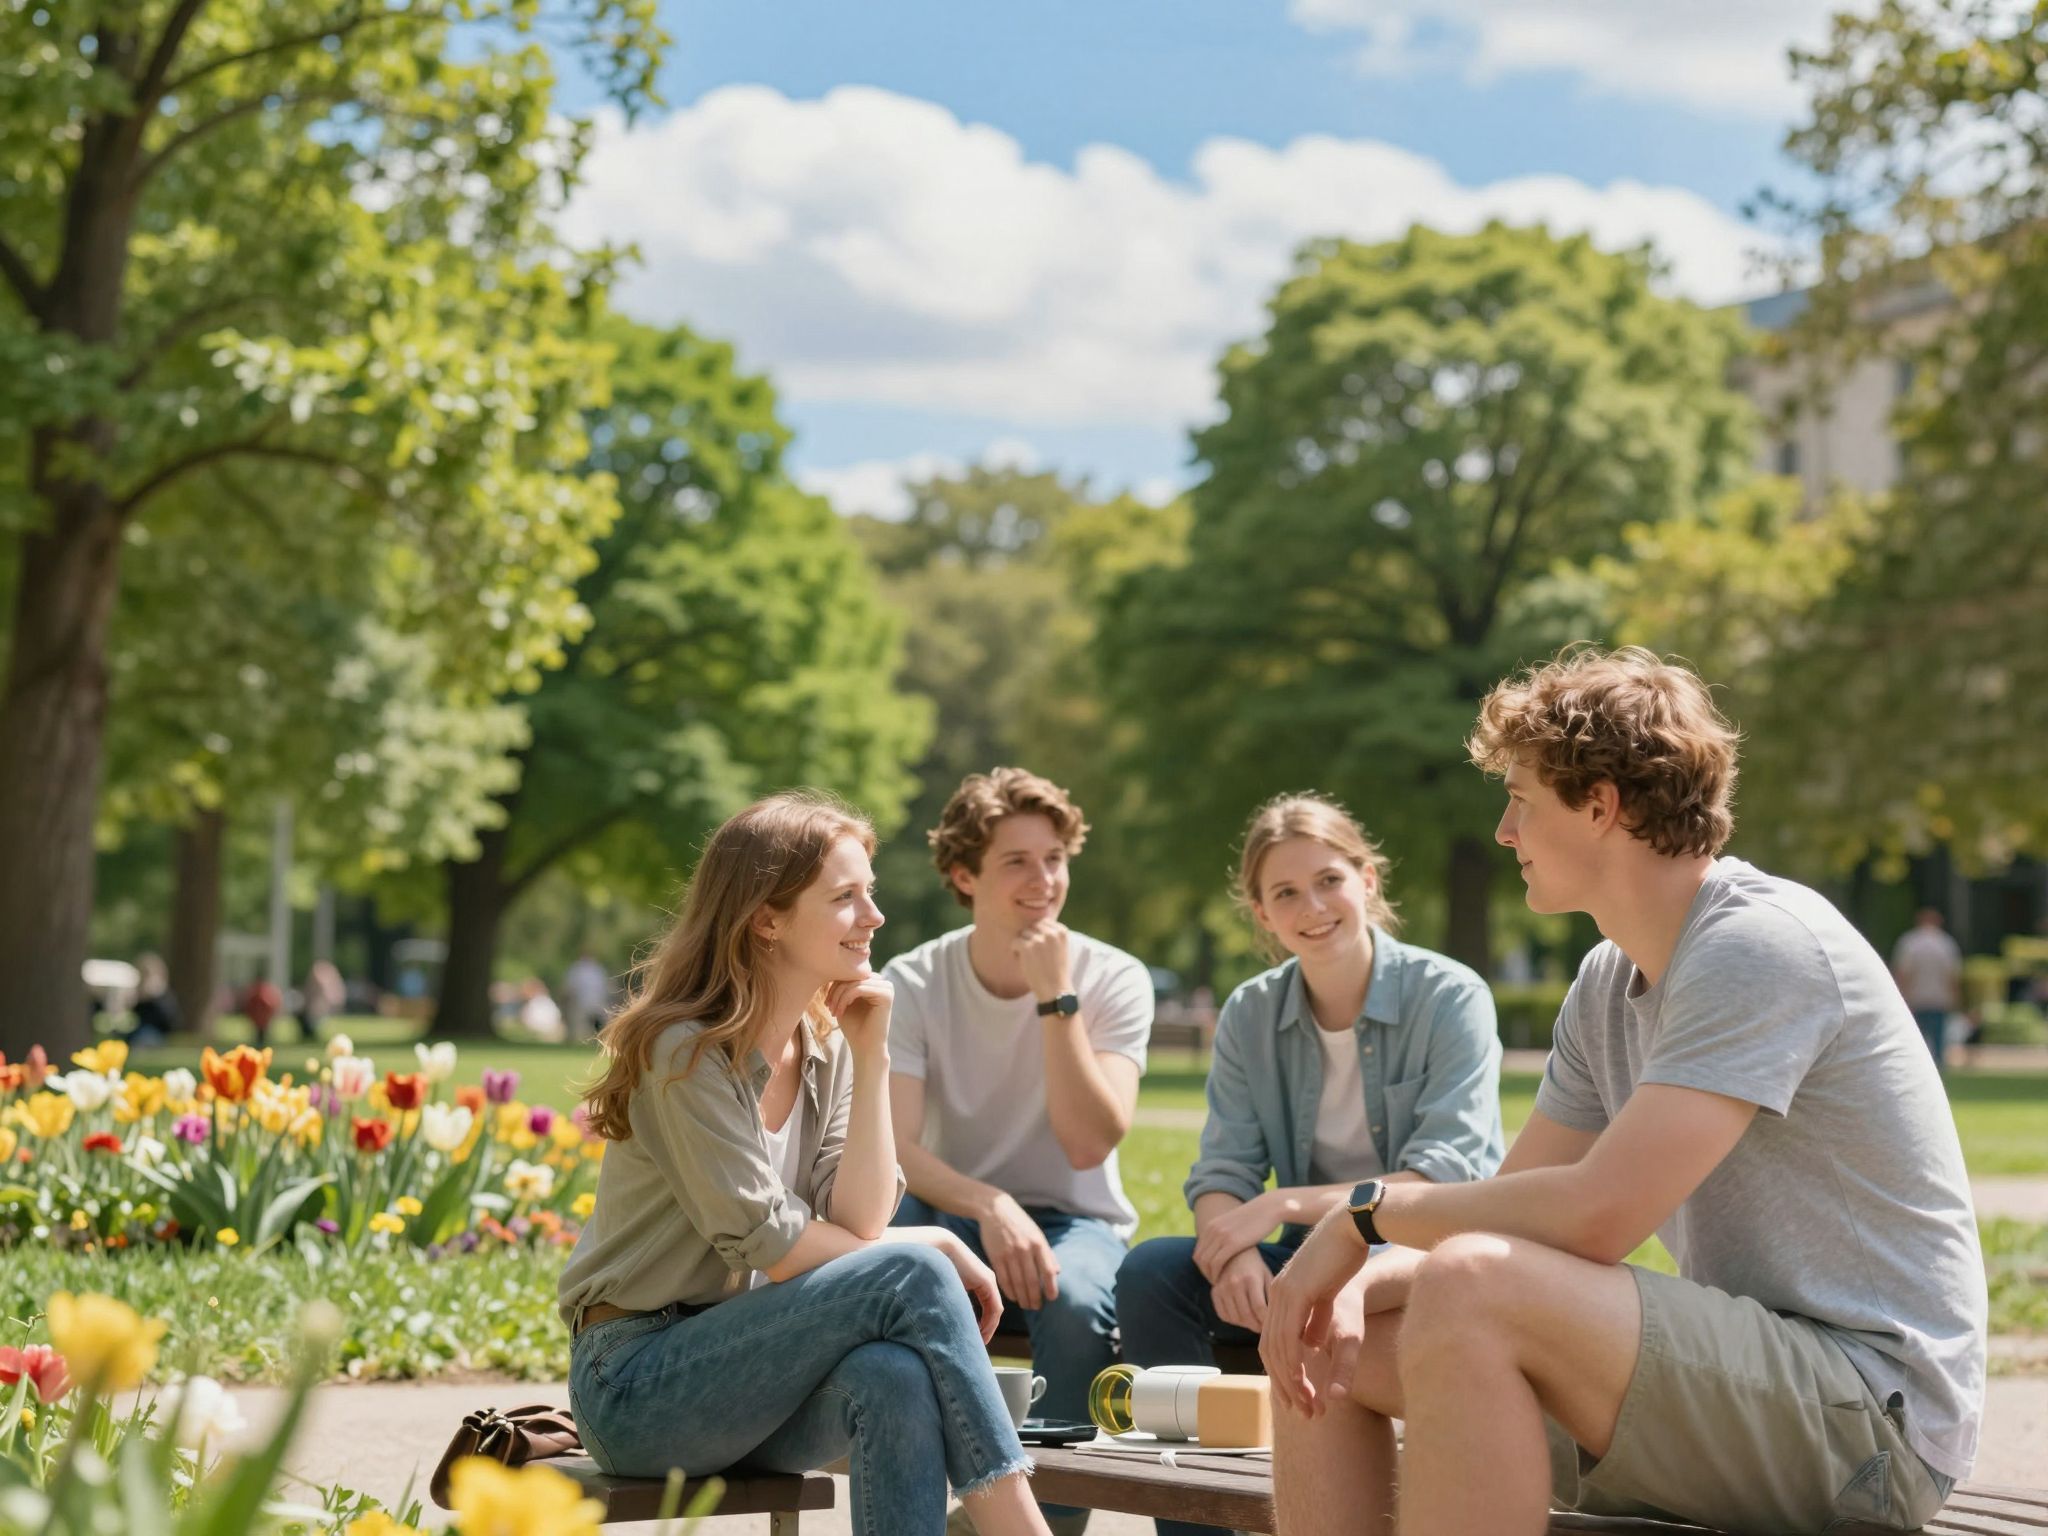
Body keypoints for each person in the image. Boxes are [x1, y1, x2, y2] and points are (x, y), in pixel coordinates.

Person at [1262, 646, 1984, 1536]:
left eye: (1520, 802)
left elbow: (1597, 1217)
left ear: (1599, 806)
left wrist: (1360, 1219)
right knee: (1329, 1342)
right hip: (1761, 1392)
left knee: (1472, 1283)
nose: (1503, 832)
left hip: (1874, 1424)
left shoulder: (1760, 945)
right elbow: (1505, 1211)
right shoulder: (1609, 981)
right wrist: (1337, 1287)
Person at [559, 791, 1053, 1536]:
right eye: (846, 898)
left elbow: (856, 1218)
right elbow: (773, 1244)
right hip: (638, 1385)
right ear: (767, 918)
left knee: (892, 1378)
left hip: (753, 1367)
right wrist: (935, 1240)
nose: (874, 917)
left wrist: (872, 1053)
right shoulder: (684, 1053)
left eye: (871, 894)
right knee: (913, 1270)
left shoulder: (825, 1046)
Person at [1116, 793, 1504, 1536]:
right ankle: (1192, 1518)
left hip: (1420, 1251)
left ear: (1367, 880)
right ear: (1261, 914)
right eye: (1285, 892)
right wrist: (1228, 1254)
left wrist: (1283, 1204)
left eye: (1329, 880)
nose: (1312, 905)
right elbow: (1223, 1170)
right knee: (1152, 1274)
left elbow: (1445, 1174)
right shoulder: (1250, 1014)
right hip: (1303, 1250)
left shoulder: (1449, 997)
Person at [885, 768, 1153, 1536]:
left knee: (1070, 1304)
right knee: (881, 1263)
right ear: (964, 875)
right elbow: (898, 1149)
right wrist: (990, 1203)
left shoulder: (1113, 978)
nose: (1043, 882)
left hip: (1078, 1218)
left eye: (1055, 860)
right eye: (1017, 863)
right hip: (948, 1204)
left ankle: (1047, 1520)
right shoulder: (914, 980)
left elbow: (1088, 1141)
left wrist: (1054, 998)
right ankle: (909, 1490)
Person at [1892, 908, 1963, 1068]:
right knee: (1938, 1042)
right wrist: (1955, 997)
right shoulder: (1946, 943)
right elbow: (1952, 975)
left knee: (1916, 1041)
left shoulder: (1910, 942)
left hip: (1915, 998)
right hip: (1939, 998)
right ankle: (1939, 1070)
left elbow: (1903, 973)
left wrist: (1900, 996)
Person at [564, 949, 611, 1041]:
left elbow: (569, 988)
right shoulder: (598, 969)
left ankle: (583, 1041)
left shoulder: (577, 969)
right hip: (593, 1003)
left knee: (582, 1027)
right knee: (590, 1026)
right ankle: (593, 1040)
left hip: (585, 1003)